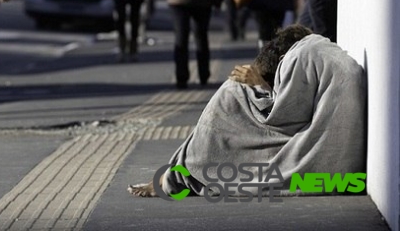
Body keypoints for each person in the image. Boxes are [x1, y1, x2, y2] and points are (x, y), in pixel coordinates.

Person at [127, 24, 366, 198]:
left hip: (337, 168)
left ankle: (175, 176)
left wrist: (261, 86)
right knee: (235, 99)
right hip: (347, 167)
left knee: (231, 93)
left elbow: (287, 115)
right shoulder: (316, 48)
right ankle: (176, 174)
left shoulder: (297, 57)